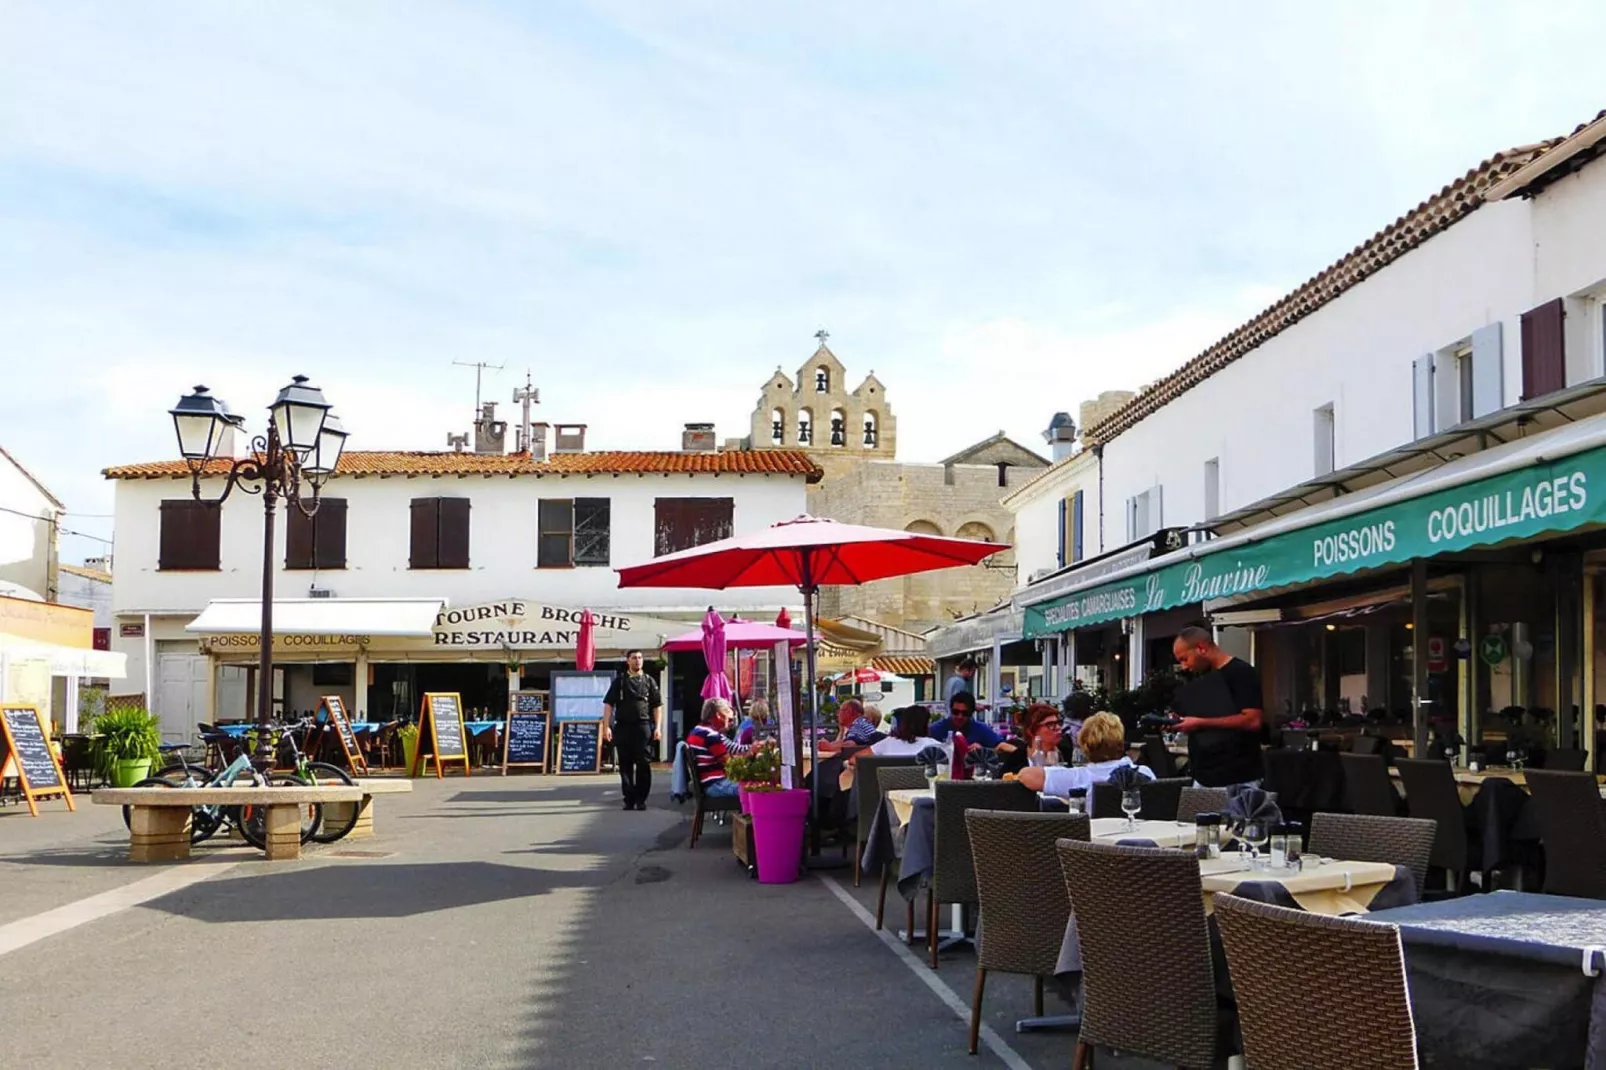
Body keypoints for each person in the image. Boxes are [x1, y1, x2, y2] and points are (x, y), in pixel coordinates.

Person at [1171, 625, 1265, 791]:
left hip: (1236, 776)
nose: (1184, 666)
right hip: (1204, 775)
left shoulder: (1241, 673)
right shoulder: (1201, 678)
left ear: (1201, 648)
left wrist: (1200, 723)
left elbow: (1253, 720)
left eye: (1184, 659)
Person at [1016, 712, 1154, 796]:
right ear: (1120, 743)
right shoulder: (1144, 773)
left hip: (1092, 840)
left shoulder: (1078, 778)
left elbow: (1026, 775)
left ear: (1084, 745)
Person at [602, 649, 662, 811]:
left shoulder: (649, 681)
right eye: (634, 658)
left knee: (643, 763)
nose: (638, 660)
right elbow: (608, 704)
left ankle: (641, 799)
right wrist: (606, 726)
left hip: (643, 727)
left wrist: (658, 727)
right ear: (627, 661)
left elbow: (657, 706)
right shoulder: (620, 681)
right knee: (625, 764)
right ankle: (629, 798)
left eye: (640, 658)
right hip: (623, 727)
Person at [685, 697, 755, 797]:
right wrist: (750, 753)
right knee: (757, 789)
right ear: (719, 715)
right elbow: (730, 764)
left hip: (707, 784)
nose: (730, 723)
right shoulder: (711, 735)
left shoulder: (696, 731)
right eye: (729, 719)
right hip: (716, 784)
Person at [998, 703, 1064, 776]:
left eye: (1058, 723)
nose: (1058, 728)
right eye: (1050, 724)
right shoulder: (1016, 762)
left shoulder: (1066, 750)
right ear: (1031, 731)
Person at [928, 690, 1006, 748]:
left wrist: (983, 751)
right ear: (950, 710)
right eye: (955, 712)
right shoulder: (936, 729)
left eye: (965, 713)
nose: (960, 716)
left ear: (971, 713)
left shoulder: (980, 729)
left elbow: (1000, 745)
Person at [868, 705, 938, 757]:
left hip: (890, 776)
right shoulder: (935, 746)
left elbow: (858, 758)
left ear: (904, 723)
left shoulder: (888, 742)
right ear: (927, 724)